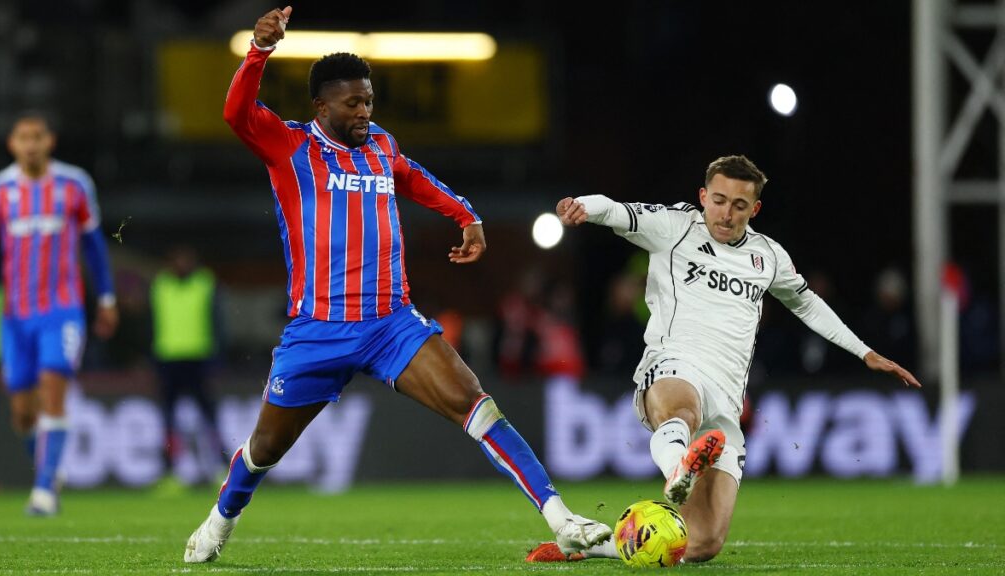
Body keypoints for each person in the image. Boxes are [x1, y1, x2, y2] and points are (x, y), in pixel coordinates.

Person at [183, 6, 611, 563]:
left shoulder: (380, 144)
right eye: (353, 102)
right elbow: (236, 112)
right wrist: (259, 51)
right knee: (265, 448)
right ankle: (219, 522)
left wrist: (465, 214)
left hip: (391, 322)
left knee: (476, 405)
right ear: (322, 106)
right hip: (318, 329)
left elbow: (410, 175)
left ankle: (562, 519)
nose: (365, 111)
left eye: (369, 100)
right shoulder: (289, 147)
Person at [527, 155, 920, 563]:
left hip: (726, 403)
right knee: (683, 410)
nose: (726, 214)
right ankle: (679, 467)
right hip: (674, 367)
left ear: (755, 209)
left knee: (702, 544)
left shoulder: (768, 257)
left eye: (739, 205)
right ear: (702, 196)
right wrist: (581, 206)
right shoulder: (676, 228)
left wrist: (866, 352)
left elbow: (807, 305)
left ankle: (587, 545)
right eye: (718, 200)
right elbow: (614, 210)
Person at [0, 114, 118, 515]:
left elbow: (93, 245)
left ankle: (43, 491)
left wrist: (106, 297)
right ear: (12, 144)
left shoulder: (74, 184)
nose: (31, 145)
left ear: (50, 141)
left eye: (37, 137)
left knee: (53, 392)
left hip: (62, 310)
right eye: (23, 138)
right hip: (16, 315)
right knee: (22, 412)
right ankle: (49, 467)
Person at [150, 246, 228, 490]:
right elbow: (151, 324)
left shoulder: (205, 284)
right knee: (168, 420)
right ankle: (170, 473)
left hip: (199, 358)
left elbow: (218, 323)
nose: (182, 264)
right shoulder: (160, 286)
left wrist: (216, 360)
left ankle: (221, 469)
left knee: (209, 417)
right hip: (168, 359)